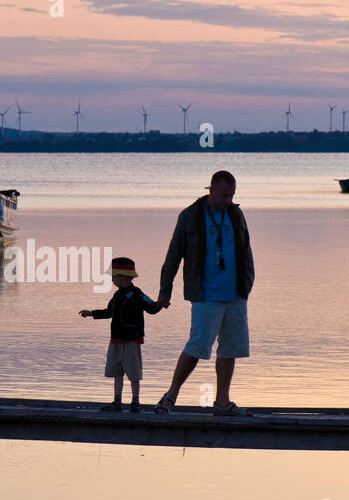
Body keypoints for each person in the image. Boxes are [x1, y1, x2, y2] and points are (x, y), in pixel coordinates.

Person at [154, 170, 255, 415]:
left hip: (235, 294)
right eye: (222, 195)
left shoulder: (236, 214)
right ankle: (170, 396)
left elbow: (246, 250)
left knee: (230, 348)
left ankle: (222, 401)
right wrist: (165, 291)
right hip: (206, 294)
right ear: (210, 190)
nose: (227, 201)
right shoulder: (190, 216)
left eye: (231, 196)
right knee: (197, 345)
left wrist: (248, 284)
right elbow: (173, 256)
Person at [80, 257, 163, 412]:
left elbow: (151, 308)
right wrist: (92, 313)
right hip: (116, 340)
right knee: (116, 371)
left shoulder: (137, 294)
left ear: (124, 276)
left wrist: (160, 304)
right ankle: (117, 402)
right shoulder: (117, 295)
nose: (112, 279)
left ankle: (135, 403)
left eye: (114, 276)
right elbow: (109, 312)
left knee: (134, 372)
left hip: (131, 340)